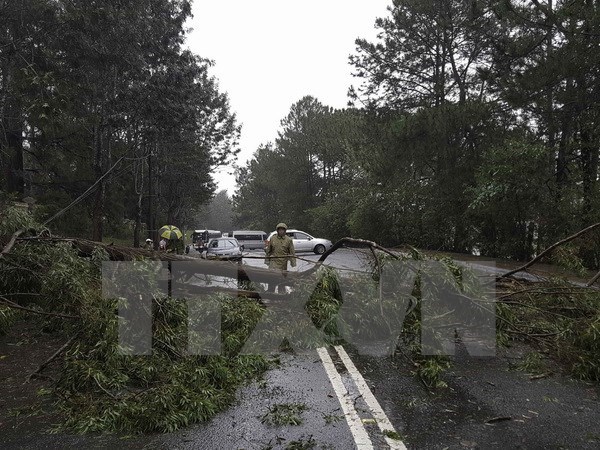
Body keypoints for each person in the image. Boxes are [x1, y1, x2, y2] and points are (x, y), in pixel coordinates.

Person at [264, 222, 296, 292]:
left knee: (281, 280)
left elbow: (292, 252)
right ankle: (270, 292)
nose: (281, 231)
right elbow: (268, 250)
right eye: (280, 230)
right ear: (277, 230)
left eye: (282, 230)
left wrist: (293, 262)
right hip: (274, 261)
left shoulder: (288, 240)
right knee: (272, 278)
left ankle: (281, 294)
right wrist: (267, 260)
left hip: (283, 262)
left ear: (285, 231)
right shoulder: (273, 238)